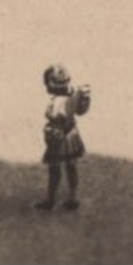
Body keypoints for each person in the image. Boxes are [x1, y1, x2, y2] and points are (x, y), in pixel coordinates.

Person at [36, 63, 91, 212]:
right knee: (71, 166)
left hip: (59, 137)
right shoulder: (72, 95)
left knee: (54, 169)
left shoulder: (59, 101)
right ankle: (73, 198)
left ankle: (50, 199)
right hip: (71, 135)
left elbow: (55, 116)